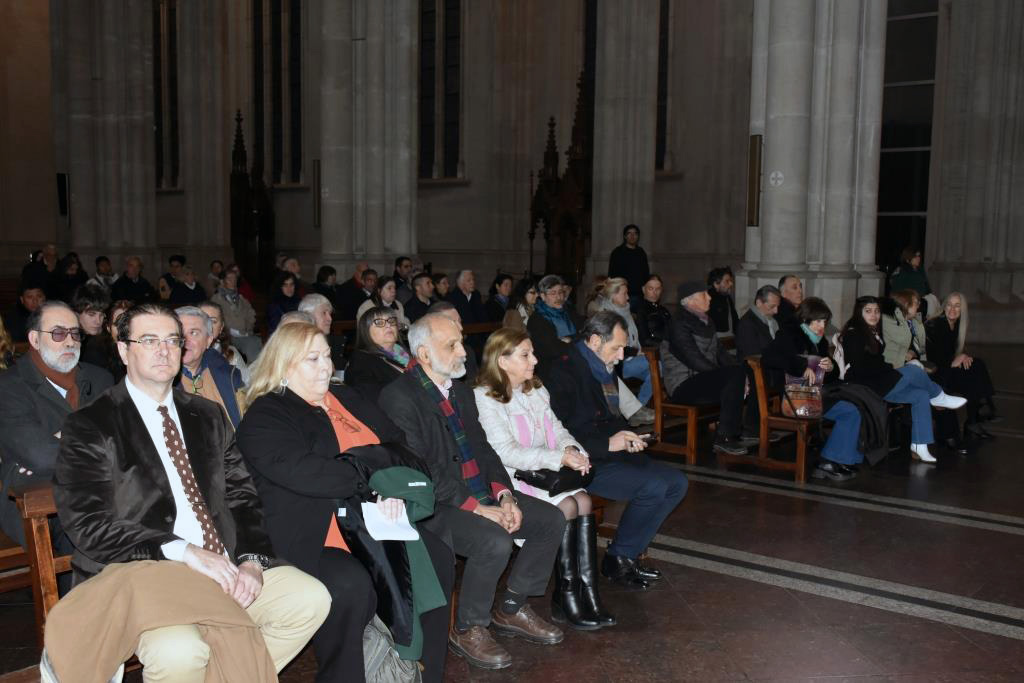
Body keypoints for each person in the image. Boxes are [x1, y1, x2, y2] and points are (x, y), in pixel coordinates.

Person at [51, 303, 330, 677]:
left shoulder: (208, 415)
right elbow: (88, 524)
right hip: (146, 572)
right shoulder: (91, 425)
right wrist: (184, 551)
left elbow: (243, 497)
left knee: (311, 599)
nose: (164, 350)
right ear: (123, 350)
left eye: (172, 340)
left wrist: (250, 560)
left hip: (226, 563)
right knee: (180, 651)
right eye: (149, 340)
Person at [237, 322, 453, 683]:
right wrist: (372, 477)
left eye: (327, 356)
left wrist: (392, 489)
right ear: (284, 364)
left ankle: (424, 675)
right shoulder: (266, 414)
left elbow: (400, 445)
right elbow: (306, 474)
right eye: (312, 359)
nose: (326, 366)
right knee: (350, 586)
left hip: (376, 517)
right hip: (314, 529)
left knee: (438, 558)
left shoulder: (347, 397)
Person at [381, 313, 567, 671]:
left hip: (478, 493)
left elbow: (483, 450)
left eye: (461, 341)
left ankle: (511, 608)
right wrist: (477, 508)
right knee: (493, 540)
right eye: (451, 345)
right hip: (434, 503)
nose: (462, 351)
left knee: (550, 519)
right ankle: (468, 627)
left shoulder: (461, 392)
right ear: (422, 353)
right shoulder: (399, 397)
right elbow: (421, 468)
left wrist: (504, 495)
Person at [474, 329, 614, 631]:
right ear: (502, 361)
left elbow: (557, 427)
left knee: (584, 500)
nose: (535, 360)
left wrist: (572, 450)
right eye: (525, 355)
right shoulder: (485, 398)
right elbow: (503, 452)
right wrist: (556, 458)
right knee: (568, 505)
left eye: (533, 352)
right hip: (512, 479)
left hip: (543, 472)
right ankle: (564, 593)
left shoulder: (535, 390)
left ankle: (585, 589)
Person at [540, 311, 688, 590]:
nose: (621, 356)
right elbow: (559, 430)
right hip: (580, 460)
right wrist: (609, 443)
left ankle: (628, 553)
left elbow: (610, 417)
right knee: (653, 486)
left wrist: (629, 435)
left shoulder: (600, 365)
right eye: (616, 348)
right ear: (595, 340)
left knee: (676, 482)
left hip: (608, 452)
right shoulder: (563, 370)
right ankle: (618, 558)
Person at [0, 301, 114, 550]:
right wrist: (96, 436)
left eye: (75, 333)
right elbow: (40, 456)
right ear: (34, 339)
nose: (70, 341)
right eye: (58, 333)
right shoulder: (9, 387)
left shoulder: (100, 379)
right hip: (40, 504)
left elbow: (126, 440)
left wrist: (65, 435)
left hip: (105, 491)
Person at [841, 296, 966, 463]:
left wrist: (888, 368)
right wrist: (889, 368)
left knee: (920, 395)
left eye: (877, 311)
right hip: (866, 387)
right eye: (868, 311)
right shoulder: (854, 333)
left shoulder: (872, 331)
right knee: (914, 370)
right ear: (859, 313)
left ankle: (919, 445)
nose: (874, 315)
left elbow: (876, 362)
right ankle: (938, 396)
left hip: (880, 383)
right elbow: (860, 367)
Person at [762, 298, 866, 481]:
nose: (821, 326)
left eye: (824, 322)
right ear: (805, 319)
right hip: (795, 398)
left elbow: (829, 374)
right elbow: (769, 358)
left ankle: (840, 460)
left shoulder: (819, 341)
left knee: (855, 404)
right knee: (849, 410)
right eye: (817, 321)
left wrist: (830, 367)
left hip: (815, 394)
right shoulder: (789, 334)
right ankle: (828, 461)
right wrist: (801, 365)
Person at [661, 281, 749, 455]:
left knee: (748, 371)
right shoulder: (678, 324)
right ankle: (724, 437)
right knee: (733, 376)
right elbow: (694, 359)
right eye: (704, 294)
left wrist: (742, 372)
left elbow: (721, 354)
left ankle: (748, 429)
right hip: (683, 385)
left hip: (703, 380)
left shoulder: (707, 321)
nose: (709, 297)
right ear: (690, 300)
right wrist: (727, 375)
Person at [926, 292, 998, 440]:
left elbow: (954, 351)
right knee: (974, 373)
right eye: (949, 305)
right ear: (944, 307)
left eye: (957, 306)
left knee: (976, 365)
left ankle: (973, 419)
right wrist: (954, 362)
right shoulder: (936, 325)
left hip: (947, 369)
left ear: (962, 310)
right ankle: (981, 409)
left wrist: (964, 357)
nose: (952, 309)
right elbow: (933, 358)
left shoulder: (957, 325)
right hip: (936, 372)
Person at [175, 306, 245, 429]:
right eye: (179, 333)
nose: (185, 341)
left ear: (208, 341)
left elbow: (245, 422)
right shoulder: (159, 382)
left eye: (193, 333)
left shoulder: (228, 375)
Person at [591, 277, 653, 405]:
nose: (628, 297)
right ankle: (638, 408)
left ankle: (638, 406)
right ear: (613, 295)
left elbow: (636, 337)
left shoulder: (625, 311)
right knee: (656, 365)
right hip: (617, 363)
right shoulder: (606, 316)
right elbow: (611, 345)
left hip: (630, 359)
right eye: (624, 293)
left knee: (656, 371)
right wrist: (636, 352)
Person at [344, 306, 411, 404]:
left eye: (391, 321)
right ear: (366, 331)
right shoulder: (361, 362)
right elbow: (370, 401)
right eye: (379, 323)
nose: (388, 325)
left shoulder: (407, 352)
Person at [527, 274, 584, 374]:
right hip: (551, 368)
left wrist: (569, 339)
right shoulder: (537, 319)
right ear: (543, 296)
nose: (558, 297)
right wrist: (575, 340)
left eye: (560, 292)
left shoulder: (570, 311)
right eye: (553, 293)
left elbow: (584, 333)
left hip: (575, 361)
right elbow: (552, 349)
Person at [211, 268, 262, 362]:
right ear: (222, 281)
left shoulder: (241, 298)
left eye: (234, 279)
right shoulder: (216, 299)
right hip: (228, 336)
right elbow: (216, 318)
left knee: (257, 341)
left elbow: (251, 313)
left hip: (245, 334)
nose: (233, 281)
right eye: (229, 279)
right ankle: (254, 372)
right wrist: (230, 331)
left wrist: (248, 328)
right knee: (252, 343)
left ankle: (257, 369)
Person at [199, 300, 251, 385]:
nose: (208, 325)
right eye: (203, 319)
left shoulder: (230, 353)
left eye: (213, 321)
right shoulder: (186, 354)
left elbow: (246, 384)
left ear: (221, 327)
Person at [298, 293, 347, 371]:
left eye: (330, 314)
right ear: (308, 315)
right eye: (324, 313)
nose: (330, 319)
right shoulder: (298, 346)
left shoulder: (332, 342)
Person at [607, 224, 650, 311]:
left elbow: (646, 272)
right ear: (625, 236)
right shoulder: (617, 252)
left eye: (635, 233)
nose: (632, 236)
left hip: (639, 295)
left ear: (638, 236)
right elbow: (612, 274)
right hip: (623, 294)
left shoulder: (641, 252)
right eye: (629, 233)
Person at [882, 290, 927, 370]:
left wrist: (916, 352)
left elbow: (921, 343)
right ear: (906, 304)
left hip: (915, 360)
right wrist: (905, 354)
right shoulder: (889, 320)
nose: (918, 306)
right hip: (896, 365)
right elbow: (887, 346)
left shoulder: (915, 320)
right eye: (916, 303)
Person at [72, 284, 110, 369]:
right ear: (77, 314)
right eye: (91, 314)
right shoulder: (68, 342)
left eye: (101, 315)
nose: (98, 321)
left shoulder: (104, 341)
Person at [889, 246, 932, 314]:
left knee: (932, 299)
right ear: (908, 259)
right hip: (907, 300)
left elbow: (926, 286)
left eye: (919, 256)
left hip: (922, 300)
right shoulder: (902, 271)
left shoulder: (920, 270)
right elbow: (896, 290)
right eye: (915, 257)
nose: (918, 258)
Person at [634, 274, 671, 347]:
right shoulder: (640, 310)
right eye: (651, 289)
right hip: (653, 350)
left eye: (658, 289)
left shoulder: (664, 310)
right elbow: (644, 339)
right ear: (644, 289)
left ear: (661, 290)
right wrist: (669, 346)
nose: (654, 292)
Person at [707, 267, 740, 337]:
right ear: (716, 283)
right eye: (727, 281)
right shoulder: (706, 300)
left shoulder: (726, 297)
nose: (731, 284)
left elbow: (735, 321)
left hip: (730, 339)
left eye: (731, 281)